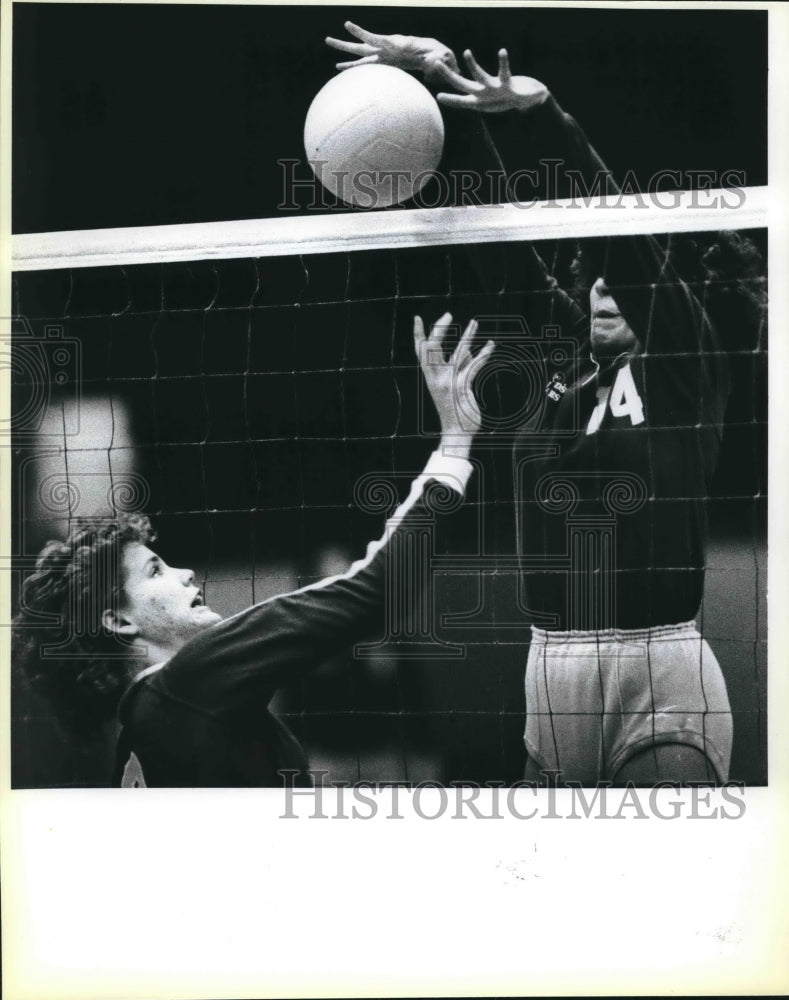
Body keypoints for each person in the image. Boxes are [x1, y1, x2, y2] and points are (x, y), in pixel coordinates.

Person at [327, 23, 766, 786]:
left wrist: (541, 118)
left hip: (657, 671)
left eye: (616, 277)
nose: (601, 286)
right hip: (548, 674)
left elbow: (611, 233)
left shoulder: (682, 365)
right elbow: (499, 227)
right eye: (587, 276)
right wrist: (441, 80)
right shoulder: (560, 362)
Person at [14, 316, 494, 787]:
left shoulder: (136, 727)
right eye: (156, 572)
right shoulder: (193, 678)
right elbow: (371, 591)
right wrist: (454, 441)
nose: (185, 573)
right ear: (118, 620)